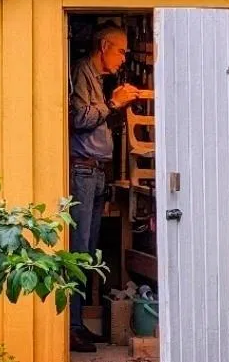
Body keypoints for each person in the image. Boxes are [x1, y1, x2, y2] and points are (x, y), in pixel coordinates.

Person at [68, 23, 139, 353]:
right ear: (104, 46)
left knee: (88, 251)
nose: (124, 58)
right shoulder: (83, 70)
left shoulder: (97, 78)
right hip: (81, 171)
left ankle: (79, 324)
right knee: (77, 249)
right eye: (122, 51)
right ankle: (70, 326)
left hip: (96, 173)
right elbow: (78, 118)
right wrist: (113, 104)